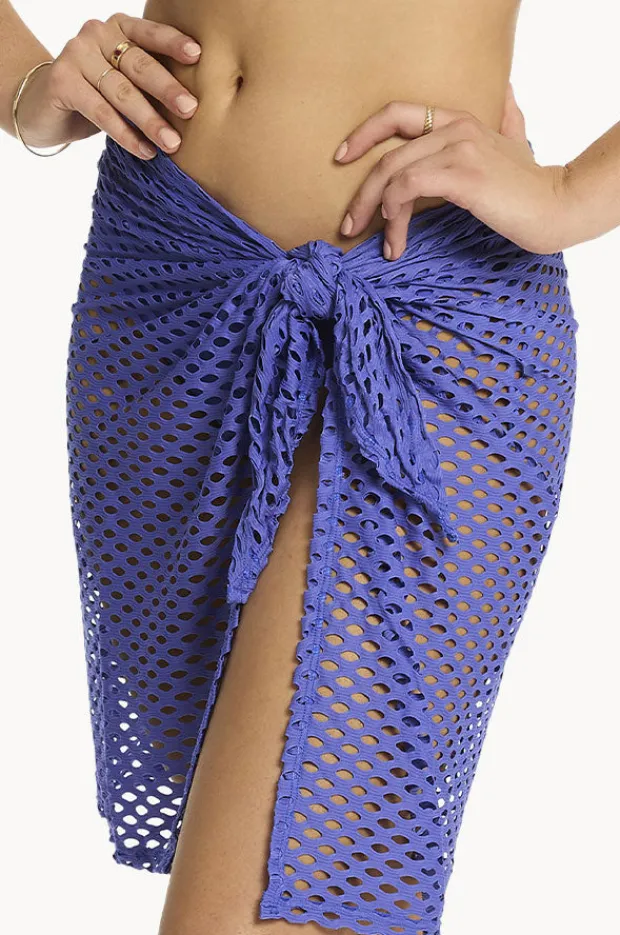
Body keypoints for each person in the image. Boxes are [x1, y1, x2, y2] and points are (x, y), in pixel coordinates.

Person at [2, 3, 618, 935]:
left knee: (282, 889)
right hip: (163, 288)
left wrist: (574, 192)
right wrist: (25, 88)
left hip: (422, 325)